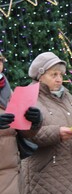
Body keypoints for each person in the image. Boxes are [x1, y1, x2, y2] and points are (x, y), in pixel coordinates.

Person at [21, 52, 72, 194]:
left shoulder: (68, 97)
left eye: (61, 75)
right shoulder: (29, 97)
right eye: (53, 75)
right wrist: (57, 133)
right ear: (40, 76)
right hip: (44, 172)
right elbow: (26, 134)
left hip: (71, 169)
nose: (59, 79)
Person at [0, 52, 42, 194]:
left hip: (13, 174)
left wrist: (33, 121)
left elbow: (20, 131)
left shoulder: (7, 91)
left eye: (0, 61)